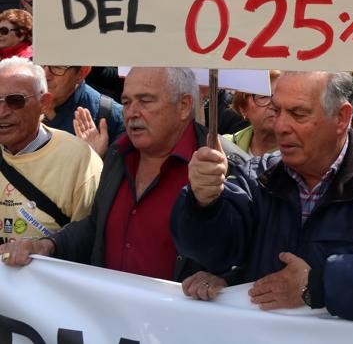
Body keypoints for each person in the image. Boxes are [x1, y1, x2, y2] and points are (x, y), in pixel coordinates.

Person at [172, 72, 353, 319]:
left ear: (341, 118)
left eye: (298, 114)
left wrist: (315, 284)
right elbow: (216, 250)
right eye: (276, 110)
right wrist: (203, 204)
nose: (281, 126)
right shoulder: (258, 175)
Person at [0, 68, 249, 286]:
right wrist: (48, 245)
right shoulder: (119, 154)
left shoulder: (222, 164)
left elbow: (245, 251)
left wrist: (223, 277)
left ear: (184, 105)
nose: (132, 112)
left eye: (145, 101)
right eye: (127, 102)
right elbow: (97, 226)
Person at [0, 59, 102, 243]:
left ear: (44, 103)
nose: (2, 112)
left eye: (15, 101)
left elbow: (87, 241)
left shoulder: (81, 161)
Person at [41, 64, 125, 157]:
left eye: (57, 67)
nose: (44, 74)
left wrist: (93, 160)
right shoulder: (23, 103)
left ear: (82, 72)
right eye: (40, 64)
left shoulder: (114, 118)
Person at [224, 71, 282, 157]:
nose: (274, 105)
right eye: (263, 97)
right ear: (243, 109)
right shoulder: (224, 146)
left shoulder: (303, 150)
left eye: (279, 96)